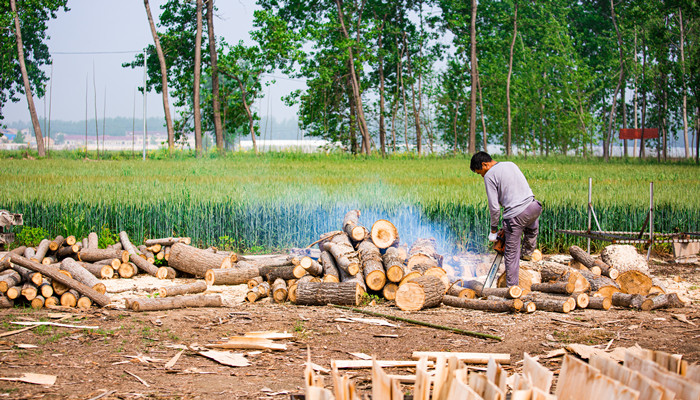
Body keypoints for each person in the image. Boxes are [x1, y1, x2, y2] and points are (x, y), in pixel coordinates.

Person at [470, 151, 542, 287]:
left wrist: (493, 230)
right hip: (534, 206)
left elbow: (494, 207)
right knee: (531, 229)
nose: (482, 176)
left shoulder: (489, 175)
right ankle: (527, 253)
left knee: (511, 254)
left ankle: (512, 288)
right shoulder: (511, 164)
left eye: (480, 172)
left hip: (516, 215)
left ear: (484, 165)